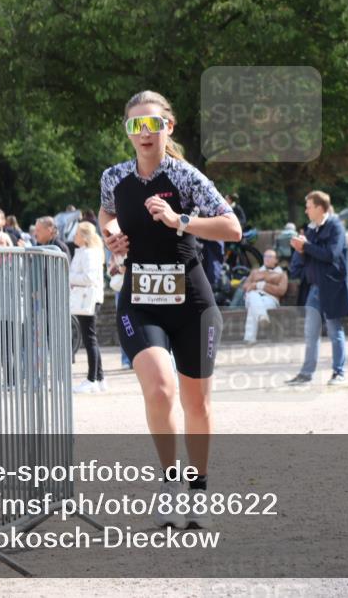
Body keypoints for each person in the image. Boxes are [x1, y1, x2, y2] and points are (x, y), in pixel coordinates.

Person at [99, 90, 241, 529]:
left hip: (192, 303)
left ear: (168, 127)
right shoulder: (114, 177)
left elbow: (232, 228)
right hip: (140, 301)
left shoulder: (186, 178)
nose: (144, 133)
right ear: (127, 131)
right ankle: (168, 484)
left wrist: (179, 220)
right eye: (135, 126)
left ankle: (198, 490)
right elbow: (106, 215)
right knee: (160, 389)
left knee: (196, 403)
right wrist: (111, 238)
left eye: (152, 124)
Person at [287, 190, 348, 386]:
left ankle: (338, 372)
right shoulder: (311, 228)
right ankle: (306, 373)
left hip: (332, 288)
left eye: (309, 207)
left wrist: (306, 246)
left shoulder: (336, 227)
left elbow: (331, 255)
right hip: (315, 288)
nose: (306, 211)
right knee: (310, 333)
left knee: (335, 331)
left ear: (319, 208)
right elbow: (309, 254)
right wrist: (300, 250)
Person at [70, 221, 107, 393]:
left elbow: (89, 278)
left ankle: (92, 378)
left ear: (84, 236)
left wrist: (70, 278)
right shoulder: (86, 252)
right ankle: (99, 378)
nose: (74, 237)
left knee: (89, 339)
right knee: (90, 338)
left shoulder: (89, 253)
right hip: (88, 298)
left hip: (88, 299)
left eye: (77, 233)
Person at [241, 249, 288, 343]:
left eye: (270, 256)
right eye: (265, 256)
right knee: (253, 296)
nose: (267, 258)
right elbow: (245, 286)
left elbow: (281, 290)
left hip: (270, 299)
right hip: (253, 295)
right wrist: (254, 286)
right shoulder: (255, 272)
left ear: (276, 260)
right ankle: (262, 316)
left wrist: (260, 285)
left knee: (253, 305)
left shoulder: (282, 274)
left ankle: (249, 338)